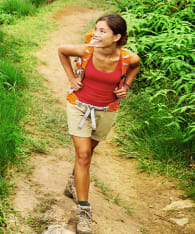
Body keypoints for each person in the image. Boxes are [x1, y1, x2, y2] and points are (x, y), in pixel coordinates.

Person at [58, 14, 140, 234]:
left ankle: (73, 181)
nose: (96, 34)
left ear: (117, 37)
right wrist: (71, 78)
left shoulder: (127, 58)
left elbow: (136, 65)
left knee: (87, 153)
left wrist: (127, 86)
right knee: (83, 154)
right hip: (79, 106)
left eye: (102, 31)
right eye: (96, 29)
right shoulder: (86, 50)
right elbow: (62, 51)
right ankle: (84, 211)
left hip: (106, 111)